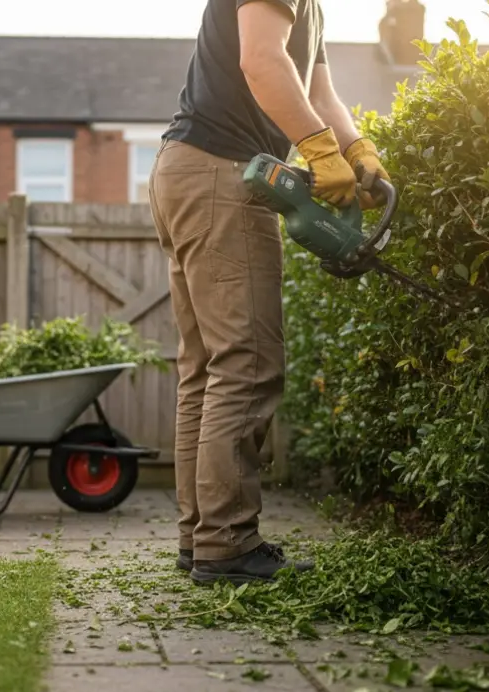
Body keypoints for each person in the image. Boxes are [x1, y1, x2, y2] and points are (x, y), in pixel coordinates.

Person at [148, 0, 391, 586]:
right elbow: (261, 61)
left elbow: (316, 90)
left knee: (207, 368)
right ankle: (227, 544)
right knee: (247, 363)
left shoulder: (310, 10)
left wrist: (356, 150)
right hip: (221, 174)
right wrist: (319, 150)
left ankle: (201, 536)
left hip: (186, 169)